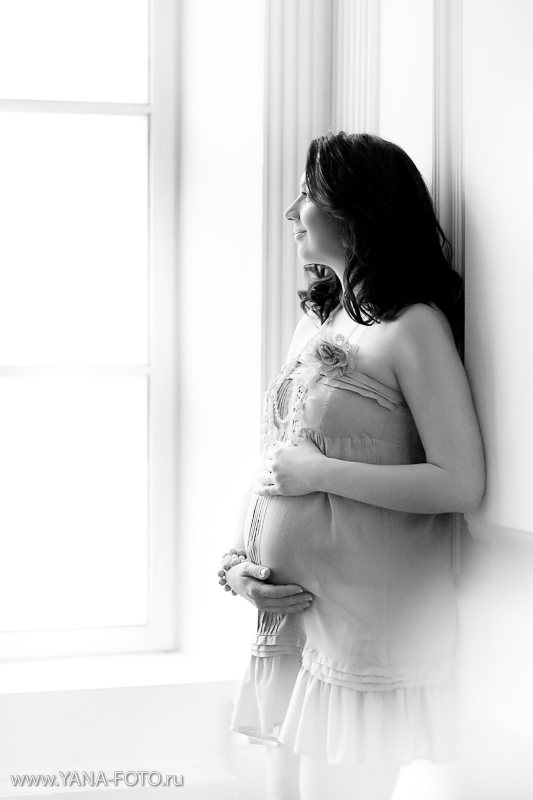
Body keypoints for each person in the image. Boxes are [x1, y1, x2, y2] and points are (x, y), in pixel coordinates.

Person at [220, 132, 485, 800]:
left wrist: (322, 476)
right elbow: (275, 455)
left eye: (306, 195)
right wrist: (234, 564)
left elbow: (460, 480)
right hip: (291, 618)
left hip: (364, 628)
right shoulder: (321, 319)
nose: (292, 212)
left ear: (355, 209)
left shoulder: (413, 326)